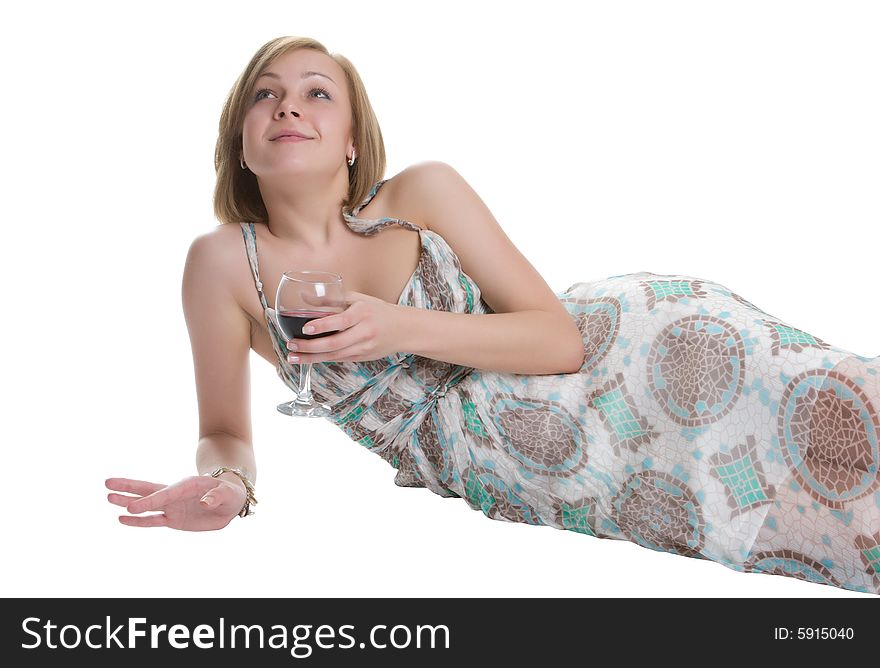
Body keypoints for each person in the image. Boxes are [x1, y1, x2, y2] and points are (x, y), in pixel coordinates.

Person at [107, 36, 880, 595]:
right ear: (242, 143)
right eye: (265, 94)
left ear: (351, 140)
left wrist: (398, 326)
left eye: (317, 92)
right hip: (499, 447)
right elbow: (226, 431)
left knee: (812, 391)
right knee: (762, 501)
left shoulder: (423, 194)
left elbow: (560, 340)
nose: (288, 106)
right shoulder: (220, 264)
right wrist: (229, 489)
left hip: (628, 341)